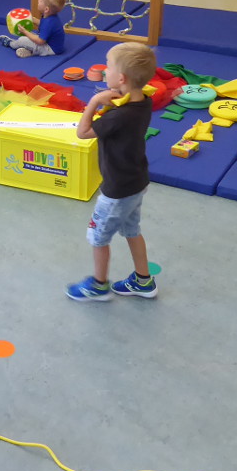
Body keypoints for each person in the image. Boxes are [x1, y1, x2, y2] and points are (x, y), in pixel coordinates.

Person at [66, 42, 159, 301]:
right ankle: (143, 280)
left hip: (116, 190)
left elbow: (83, 133)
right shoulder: (144, 102)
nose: (104, 70)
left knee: (98, 237)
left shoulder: (117, 117)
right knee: (132, 230)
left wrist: (95, 101)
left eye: (107, 66)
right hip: (137, 182)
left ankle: (98, 284)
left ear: (121, 78)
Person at [0, 0, 67, 58]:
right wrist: (32, 19)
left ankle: (11, 43)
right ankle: (30, 50)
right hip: (50, 44)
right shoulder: (51, 17)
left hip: (50, 49)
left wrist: (25, 31)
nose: (38, 1)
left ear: (46, 9)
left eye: (41, 1)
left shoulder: (49, 23)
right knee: (29, 35)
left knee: (22, 40)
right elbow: (43, 25)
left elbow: (40, 41)